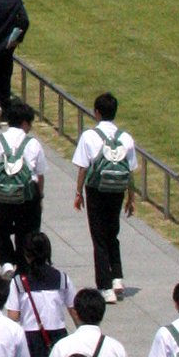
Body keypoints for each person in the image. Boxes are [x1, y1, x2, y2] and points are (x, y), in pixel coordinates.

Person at [72, 93, 137, 301]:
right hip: (117, 190)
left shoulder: (89, 136)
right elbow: (130, 171)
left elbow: (83, 167)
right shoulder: (126, 138)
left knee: (98, 237)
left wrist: (78, 192)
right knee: (112, 233)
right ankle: (117, 277)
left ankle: (105, 286)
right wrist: (131, 198)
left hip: (96, 190)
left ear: (96, 112)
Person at [0, 99, 45, 273]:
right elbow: (40, 175)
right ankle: (23, 268)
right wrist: (40, 197)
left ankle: (7, 261)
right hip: (27, 197)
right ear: (24, 122)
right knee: (27, 233)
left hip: (3, 196)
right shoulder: (33, 144)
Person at [8, 233, 75, 357]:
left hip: (31, 338)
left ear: (26, 254)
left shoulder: (19, 282)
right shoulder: (62, 278)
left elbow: (13, 316)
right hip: (59, 335)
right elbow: (74, 310)